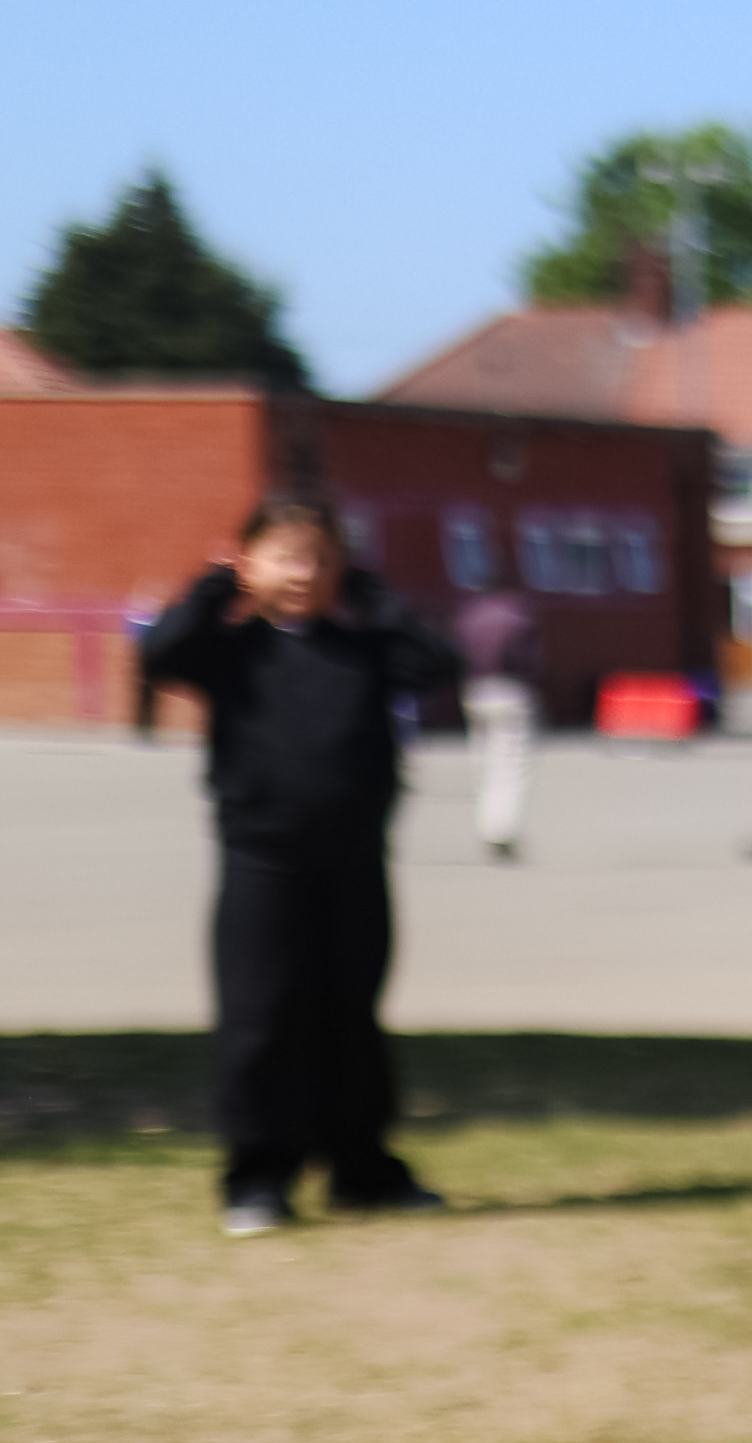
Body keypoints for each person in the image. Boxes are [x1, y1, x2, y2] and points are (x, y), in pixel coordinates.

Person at [138, 501, 459, 1237]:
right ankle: (258, 1178)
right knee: (261, 1018)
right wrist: (216, 589)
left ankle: (362, 1171)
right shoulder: (231, 651)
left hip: (353, 860)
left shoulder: (365, 650)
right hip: (263, 860)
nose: (303, 574)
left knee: (351, 1016)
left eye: (319, 558)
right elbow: (161, 654)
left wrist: (375, 599)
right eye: (285, 556)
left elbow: (438, 663)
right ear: (249, 561)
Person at [453, 580, 536, 862]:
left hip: (474, 689)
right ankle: (503, 831)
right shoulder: (517, 616)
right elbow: (532, 658)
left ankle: (485, 827)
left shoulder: (469, 616)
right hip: (510, 689)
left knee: (482, 761)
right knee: (509, 764)